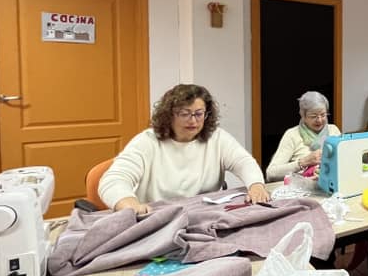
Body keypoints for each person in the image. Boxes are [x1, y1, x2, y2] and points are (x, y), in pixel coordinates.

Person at [99, 83, 269, 216]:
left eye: (199, 114)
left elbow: (244, 162)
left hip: (202, 215)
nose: (193, 121)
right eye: (184, 114)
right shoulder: (147, 142)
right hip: (157, 217)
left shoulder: (217, 138)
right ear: (169, 115)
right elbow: (113, 180)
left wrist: (256, 185)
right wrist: (129, 203)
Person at [266, 91, 341, 181]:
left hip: (330, 184)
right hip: (302, 187)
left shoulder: (333, 130)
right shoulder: (292, 135)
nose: (319, 120)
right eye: (313, 116)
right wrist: (303, 162)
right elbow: (271, 173)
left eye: (323, 115)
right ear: (303, 115)